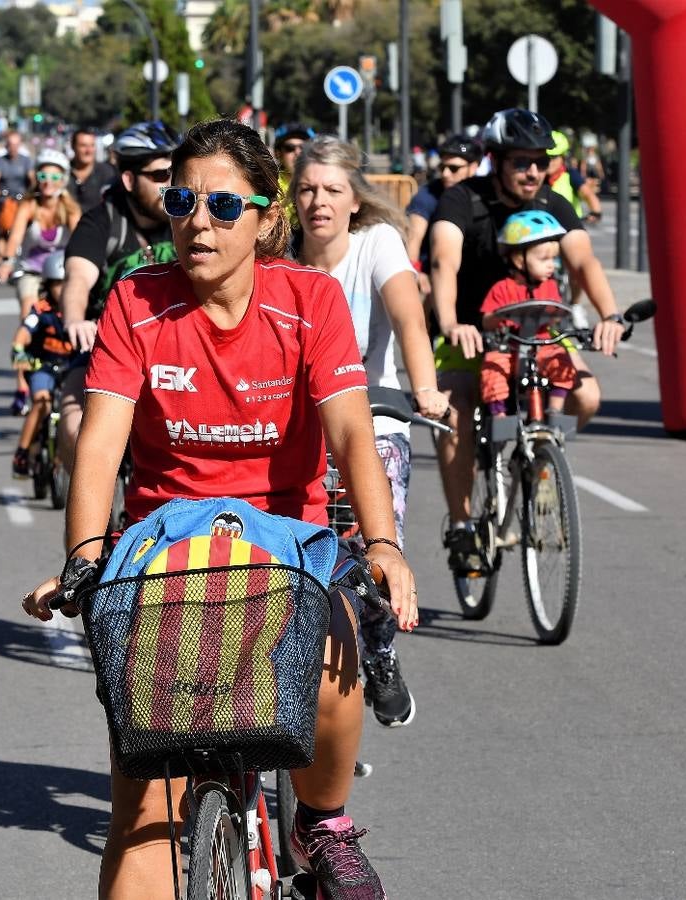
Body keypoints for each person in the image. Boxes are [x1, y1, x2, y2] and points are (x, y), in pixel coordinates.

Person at [22, 117, 414, 900]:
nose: (198, 222)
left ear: (269, 218)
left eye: (224, 206)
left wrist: (384, 543)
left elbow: (349, 431)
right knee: (141, 813)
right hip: (163, 557)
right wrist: (82, 558)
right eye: (182, 201)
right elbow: (100, 446)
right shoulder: (136, 300)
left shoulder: (310, 300)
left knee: (337, 657)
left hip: (285, 549)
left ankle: (322, 821)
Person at [292, 135, 448, 729]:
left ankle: (380, 654)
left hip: (374, 418)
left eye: (333, 190)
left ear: (355, 199)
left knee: (373, 556)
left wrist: (425, 386)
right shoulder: (279, 255)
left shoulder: (377, 242)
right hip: (298, 427)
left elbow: (409, 317)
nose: (319, 202)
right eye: (306, 190)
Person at [428, 108, 625, 571]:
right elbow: (443, 261)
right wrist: (452, 321)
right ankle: (463, 527)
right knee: (455, 405)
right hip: (474, 332)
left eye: (540, 161)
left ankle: (537, 459)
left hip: (541, 332)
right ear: (495, 161)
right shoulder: (463, 200)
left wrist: (610, 315)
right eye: (521, 162)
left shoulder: (553, 202)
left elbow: (584, 262)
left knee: (588, 396)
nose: (533, 171)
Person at [57, 120, 178, 477]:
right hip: (103, 348)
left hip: (175, 353)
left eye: (175, 172)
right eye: (159, 176)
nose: (170, 184)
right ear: (128, 180)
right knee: (75, 423)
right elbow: (78, 278)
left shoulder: (185, 217)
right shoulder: (102, 222)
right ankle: (90, 523)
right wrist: (76, 320)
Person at [0, 149, 82, 413]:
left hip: (61, 273)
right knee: (29, 318)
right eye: (42, 175)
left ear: (63, 179)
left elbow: (81, 241)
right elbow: (15, 236)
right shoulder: (29, 205)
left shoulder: (69, 208)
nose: (47, 182)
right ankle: (22, 386)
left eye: (54, 176)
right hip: (32, 271)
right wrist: (7, 261)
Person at [479, 211, 578, 420]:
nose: (552, 265)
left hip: (540, 346)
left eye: (554, 258)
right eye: (544, 259)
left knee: (562, 362)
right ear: (518, 260)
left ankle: (554, 410)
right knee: (492, 368)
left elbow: (556, 314)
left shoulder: (550, 286)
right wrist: (498, 318)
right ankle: (499, 416)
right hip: (509, 347)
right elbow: (487, 320)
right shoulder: (502, 288)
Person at [10, 253, 72, 478]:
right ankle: (22, 452)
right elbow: (24, 332)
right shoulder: (41, 310)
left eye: (67, 283)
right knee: (42, 402)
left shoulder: (82, 310)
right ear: (48, 285)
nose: (62, 289)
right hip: (42, 366)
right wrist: (19, 348)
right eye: (57, 284)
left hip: (70, 369)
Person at [404, 134, 480, 293]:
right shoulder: (427, 194)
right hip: (431, 274)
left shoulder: (483, 193)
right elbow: (414, 236)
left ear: (473, 168)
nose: (445, 174)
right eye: (442, 167)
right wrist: (414, 271)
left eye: (453, 168)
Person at [0, 130, 34, 261]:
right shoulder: (0, 161)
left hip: (22, 198)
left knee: (26, 229)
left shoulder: (26, 160)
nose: (13, 148)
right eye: (10, 144)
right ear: (6, 146)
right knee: (4, 230)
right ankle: (1, 259)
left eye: (16, 144)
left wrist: (33, 191)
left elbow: (32, 178)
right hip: (5, 199)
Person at [546, 130, 602, 224]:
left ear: (563, 157)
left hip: (570, 228)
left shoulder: (571, 175)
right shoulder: (538, 177)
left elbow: (588, 194)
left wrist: (595, 213)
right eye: (546, 158)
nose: (549, 162)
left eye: (554, 157)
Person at [272, 122, 315, 227]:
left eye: (304, 147)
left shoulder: (322, 183)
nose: (297, 152)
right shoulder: (269, 185)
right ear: (278, 153)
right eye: (290, 148)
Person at [66, 128, 117, 213]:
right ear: (73, 146)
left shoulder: (107, 173)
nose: (89, 151)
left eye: (92, 145)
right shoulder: (64, 172)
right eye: (83, 145)